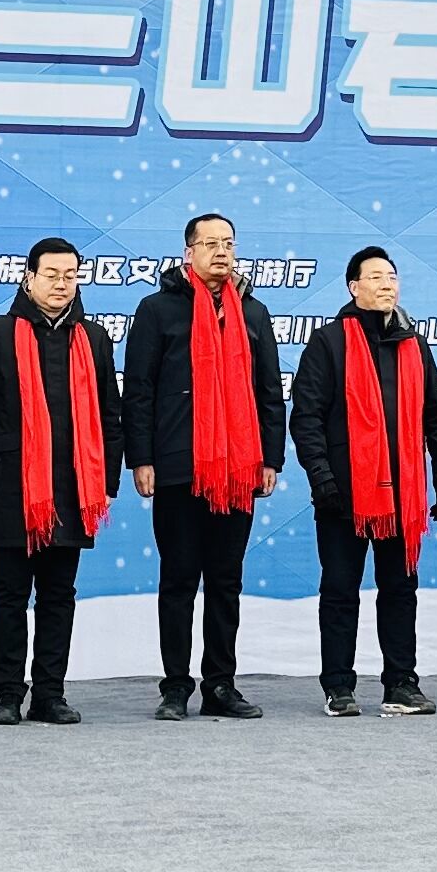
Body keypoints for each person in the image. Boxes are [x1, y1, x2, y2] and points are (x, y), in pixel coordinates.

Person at [0, 236, 126, 724]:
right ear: (28, 278)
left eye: (70, 275)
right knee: (9, 594)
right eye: (51, 274)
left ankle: (50, 693)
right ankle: (8, 693)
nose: (61, 284)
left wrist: (105, 482)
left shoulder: (93, 338)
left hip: (73, 487)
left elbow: (110, 416)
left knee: (58, 595)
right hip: (11, 485)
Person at [124, 211, 288, 721]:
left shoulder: (254, 312)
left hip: (238, 470)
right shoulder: (157, 309)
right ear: (188, 253)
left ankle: (220, 684)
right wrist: (142, 457)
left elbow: (269, 391)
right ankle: (175, 686)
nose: (221, 252)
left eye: (229, 244)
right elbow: (139, 389)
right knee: (178, 580)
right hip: (178, 466)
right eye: (211, 243)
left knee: (225, 582)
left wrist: (271, 457)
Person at [289, 246, 437, 716]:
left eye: (392, 277)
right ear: (353, 286)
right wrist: (322, 478)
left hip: (403, 493)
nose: (387, 284)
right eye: (376, 276)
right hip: (343, 494)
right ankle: (338, 687)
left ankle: (401, 683)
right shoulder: (328, 342)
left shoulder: (414, 345)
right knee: (340, 590)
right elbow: (307, 418)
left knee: (400, 590)